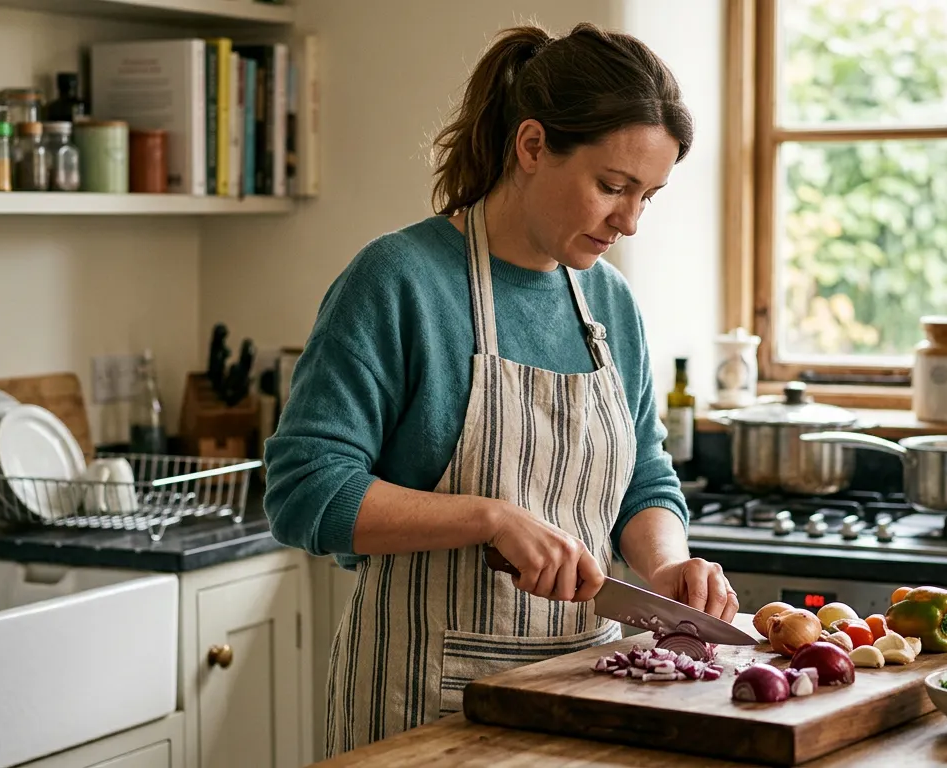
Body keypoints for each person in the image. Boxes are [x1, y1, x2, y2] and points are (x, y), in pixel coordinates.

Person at [264, 21, 739, 757]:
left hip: (585, 691)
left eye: (649, 196)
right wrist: (488, 518)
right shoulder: (400, 281)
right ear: (531, 146)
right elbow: (305, 492)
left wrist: (667, 563)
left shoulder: (607, 302)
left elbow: (644, 475)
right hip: (423, 710)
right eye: (612, 187)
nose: (631, 222)